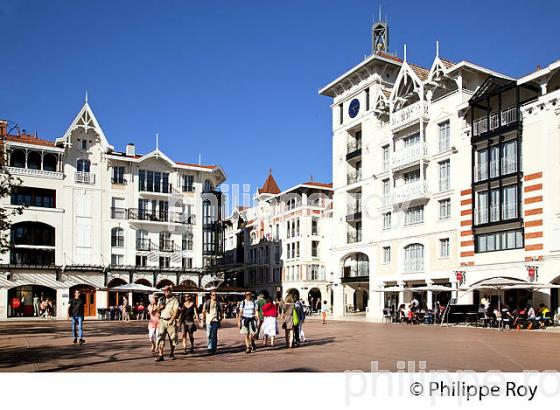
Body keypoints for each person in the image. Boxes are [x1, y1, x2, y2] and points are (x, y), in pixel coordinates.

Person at [155, 286, 179, 362]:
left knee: (172, 338)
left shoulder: (175, 300)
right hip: (162, 320)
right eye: (164, 291)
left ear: (170, 291)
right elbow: (157, 311)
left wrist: (172, 319)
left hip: (170, 321)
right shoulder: (161, 299)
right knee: (161, 337)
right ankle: (160, 355)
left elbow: (175, 311)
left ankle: (172, 353)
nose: (166, 292)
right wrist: (160, 308)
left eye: (167, 290)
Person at [202, 290, 222, 354]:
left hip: (215, 320)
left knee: (214, 335)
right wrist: (203, 320)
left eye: (216, 295)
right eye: (213, 295)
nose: (215, 296)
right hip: (208, 321)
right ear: (210, 296)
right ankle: (209, 347)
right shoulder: (207, 303)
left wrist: (220, 318)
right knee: (209, 335)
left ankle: (213, 348)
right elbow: (203, 311)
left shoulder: (218, 303)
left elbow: (220, 311)